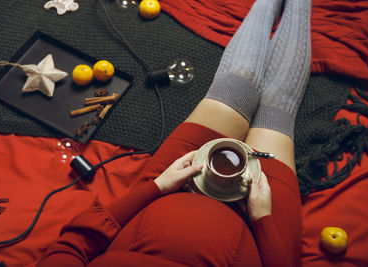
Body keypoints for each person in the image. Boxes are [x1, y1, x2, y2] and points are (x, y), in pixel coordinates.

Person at [37, 0, 312, 266]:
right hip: (260, 229)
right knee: (276, 108)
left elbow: (72, 246)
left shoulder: (162, 186)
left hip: (170, 187)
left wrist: (157, 187)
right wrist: (262, 220)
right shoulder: (261, 222)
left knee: (238, 83)